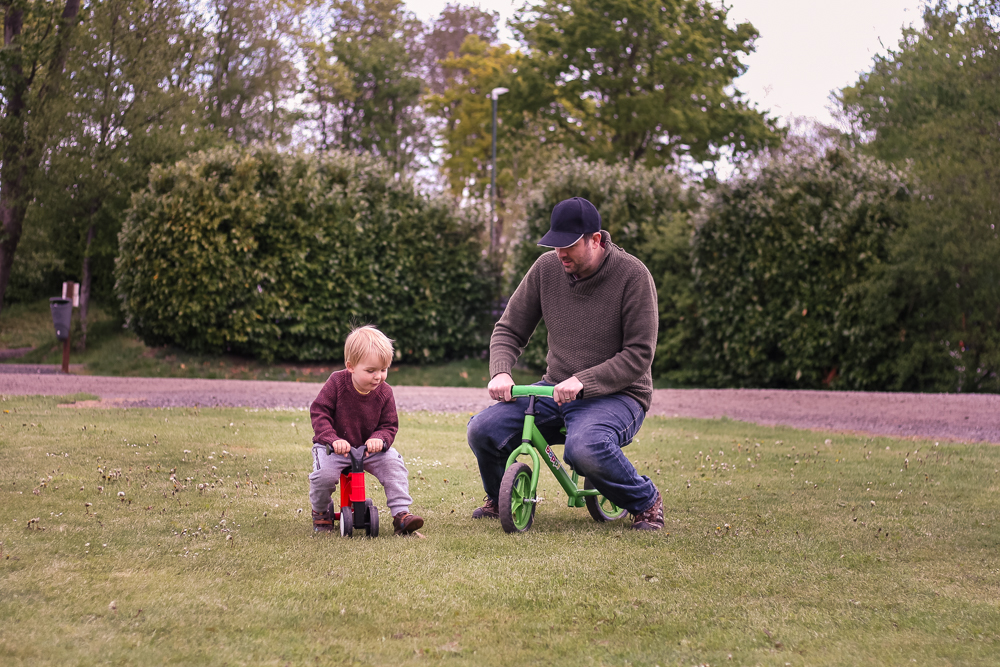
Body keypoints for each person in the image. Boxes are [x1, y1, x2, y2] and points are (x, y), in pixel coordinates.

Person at [467, 196, 664, 530]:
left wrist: (584, 380)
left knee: (584, 448)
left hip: (618, 395)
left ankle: (646, 501)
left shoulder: (633, 276)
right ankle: (501, 496)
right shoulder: (546, 269)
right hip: (555, 389)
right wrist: (500, 370)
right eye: (555, 244)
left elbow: (638, 355)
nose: (560, 254)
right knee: (482, 429)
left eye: (569, 245)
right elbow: (508, 329)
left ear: (596, 240)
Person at [309, 325, 423, 536]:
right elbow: (319, 412)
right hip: (333, 448)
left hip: (369, 449)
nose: (378, 376)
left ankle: (401, 515)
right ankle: (321, 511)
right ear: (351, 366)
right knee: (322, 476)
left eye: (383, 369)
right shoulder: (336, 383)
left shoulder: (385, 392)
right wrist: (332, 439)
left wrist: (379, 438)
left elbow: (389, 425)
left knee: (394, 464)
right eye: (371, 371)